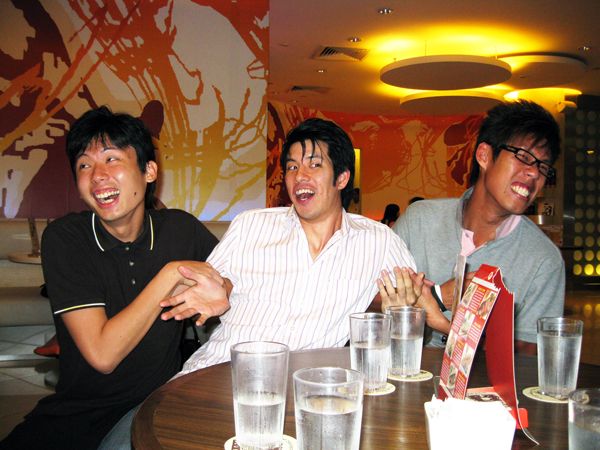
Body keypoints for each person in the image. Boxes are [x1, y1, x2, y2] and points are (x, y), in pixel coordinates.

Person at [0, 106, 228, 450]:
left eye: (112, 159)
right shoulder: (66, 238)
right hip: (76, 415)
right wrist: (170, 275)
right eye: (84, 165)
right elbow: (103, 355)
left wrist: (222, 289)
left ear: (149, 171)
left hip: (151, 408)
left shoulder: (180, 229)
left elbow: (236, 278)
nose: (97, 176)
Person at [161, 117, 417, 373]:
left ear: (341, 178)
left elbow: (415, 304)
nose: (300, 176)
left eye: (314, 165)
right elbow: (214, 284)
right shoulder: (251, 225)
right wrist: (216, 290)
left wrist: (397, 311)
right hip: (219, 371)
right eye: (292, 167)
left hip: (303, 386)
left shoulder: (379, 241)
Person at [392, 100, 564, 354]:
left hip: (482, 381)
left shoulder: (544, 259)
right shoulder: (420, 220)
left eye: (543, 166)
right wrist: (440, 295)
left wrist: (446, 324)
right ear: (484, 155)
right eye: (524, 157)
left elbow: (527, 359)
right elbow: (367, 300)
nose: (533, 174)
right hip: (403, 372)